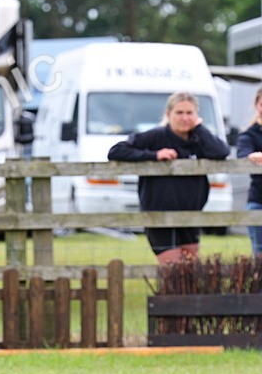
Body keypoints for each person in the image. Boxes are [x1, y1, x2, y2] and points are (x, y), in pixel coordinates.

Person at [108, 91, 230, 264]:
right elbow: (116, 151)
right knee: (173, 270)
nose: (184, 118)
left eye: (189, 113)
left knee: (190, 271)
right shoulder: (156, 136)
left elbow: (222, 151)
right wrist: (154, 155)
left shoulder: (200, 139)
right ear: (168, 114)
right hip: (159, 216)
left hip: (190, 216)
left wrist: (200, 128)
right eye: (179, 112)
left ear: (197, 115)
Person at [235, 86, 262, 255]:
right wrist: (253, 156)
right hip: (259, 200)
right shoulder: (249, 134)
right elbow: (243, 154)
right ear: (256, 105)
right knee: (260, 253)